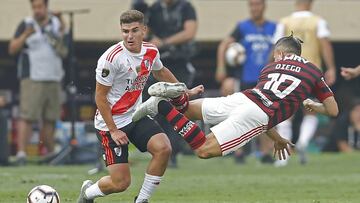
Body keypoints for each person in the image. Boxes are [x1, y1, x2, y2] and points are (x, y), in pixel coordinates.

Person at [133, 34, 338, 162]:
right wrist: (313, 105)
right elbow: (333, 110)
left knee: (186, 109)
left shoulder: (270, 67)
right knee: (203, 150)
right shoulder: (312, 71)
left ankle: (176, 97)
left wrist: (277, 139)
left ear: (279, 53)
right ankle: (161, 106)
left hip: (244, 99)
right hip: (257, 114)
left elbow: (265, 103)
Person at [76, 10, 198, 203]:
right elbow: (100, 98)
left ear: (144, 30)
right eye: (125, 31)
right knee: (120, 183)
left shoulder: (151, 51)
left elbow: (161, 72)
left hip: (135, 115)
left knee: (164, 148)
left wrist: (184, 90)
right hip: (110, 124)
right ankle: (87, 193)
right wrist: (114, 131)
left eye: (134, 30)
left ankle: (141, 200)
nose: (129, 36)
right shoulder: (110, 59)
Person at [272, 0, 337, 166]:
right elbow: (325, 44)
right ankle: (303, 142)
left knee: (285, 112)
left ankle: (283, 158)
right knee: (311, 111)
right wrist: (331, 68)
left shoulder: (284, 22)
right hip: (310, 72)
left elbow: (276, 46)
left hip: (288, 72)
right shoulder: (318, 22)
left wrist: (271, 67)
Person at [216, 0, 276, 164]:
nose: (254, 8)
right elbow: (224, 45)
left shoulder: (275, 28)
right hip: (245, 78)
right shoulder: (242, 27)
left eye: (257, 4)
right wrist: (221, 67)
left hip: (266, 80)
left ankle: (265, 153)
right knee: (239, 114)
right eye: (252, 5)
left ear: (264, 6)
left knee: (266, 116)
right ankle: (238, 152)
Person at [8, 0, 67, 165]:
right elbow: (12, 48)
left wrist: (61, 19)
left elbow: (64, 39)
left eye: (40, 6)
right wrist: (25, 35)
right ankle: (21, 154)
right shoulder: (26, 24)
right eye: (34, 7)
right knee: (27, 116)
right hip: (32, 77)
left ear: (46, 7)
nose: (37, 10)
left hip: (54, 77)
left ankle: (50, 154)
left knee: (50, 117)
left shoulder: (55, 22)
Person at [145, 0, 198, 167]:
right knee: (158, 108)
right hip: (159, 64)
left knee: (178, 108)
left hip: (179, 63)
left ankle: (175, 151)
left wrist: (165, 42)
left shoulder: (186, 7)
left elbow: (190, 32)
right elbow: (145, 29)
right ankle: (162, 150)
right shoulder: (154, 9)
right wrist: (151, 38)